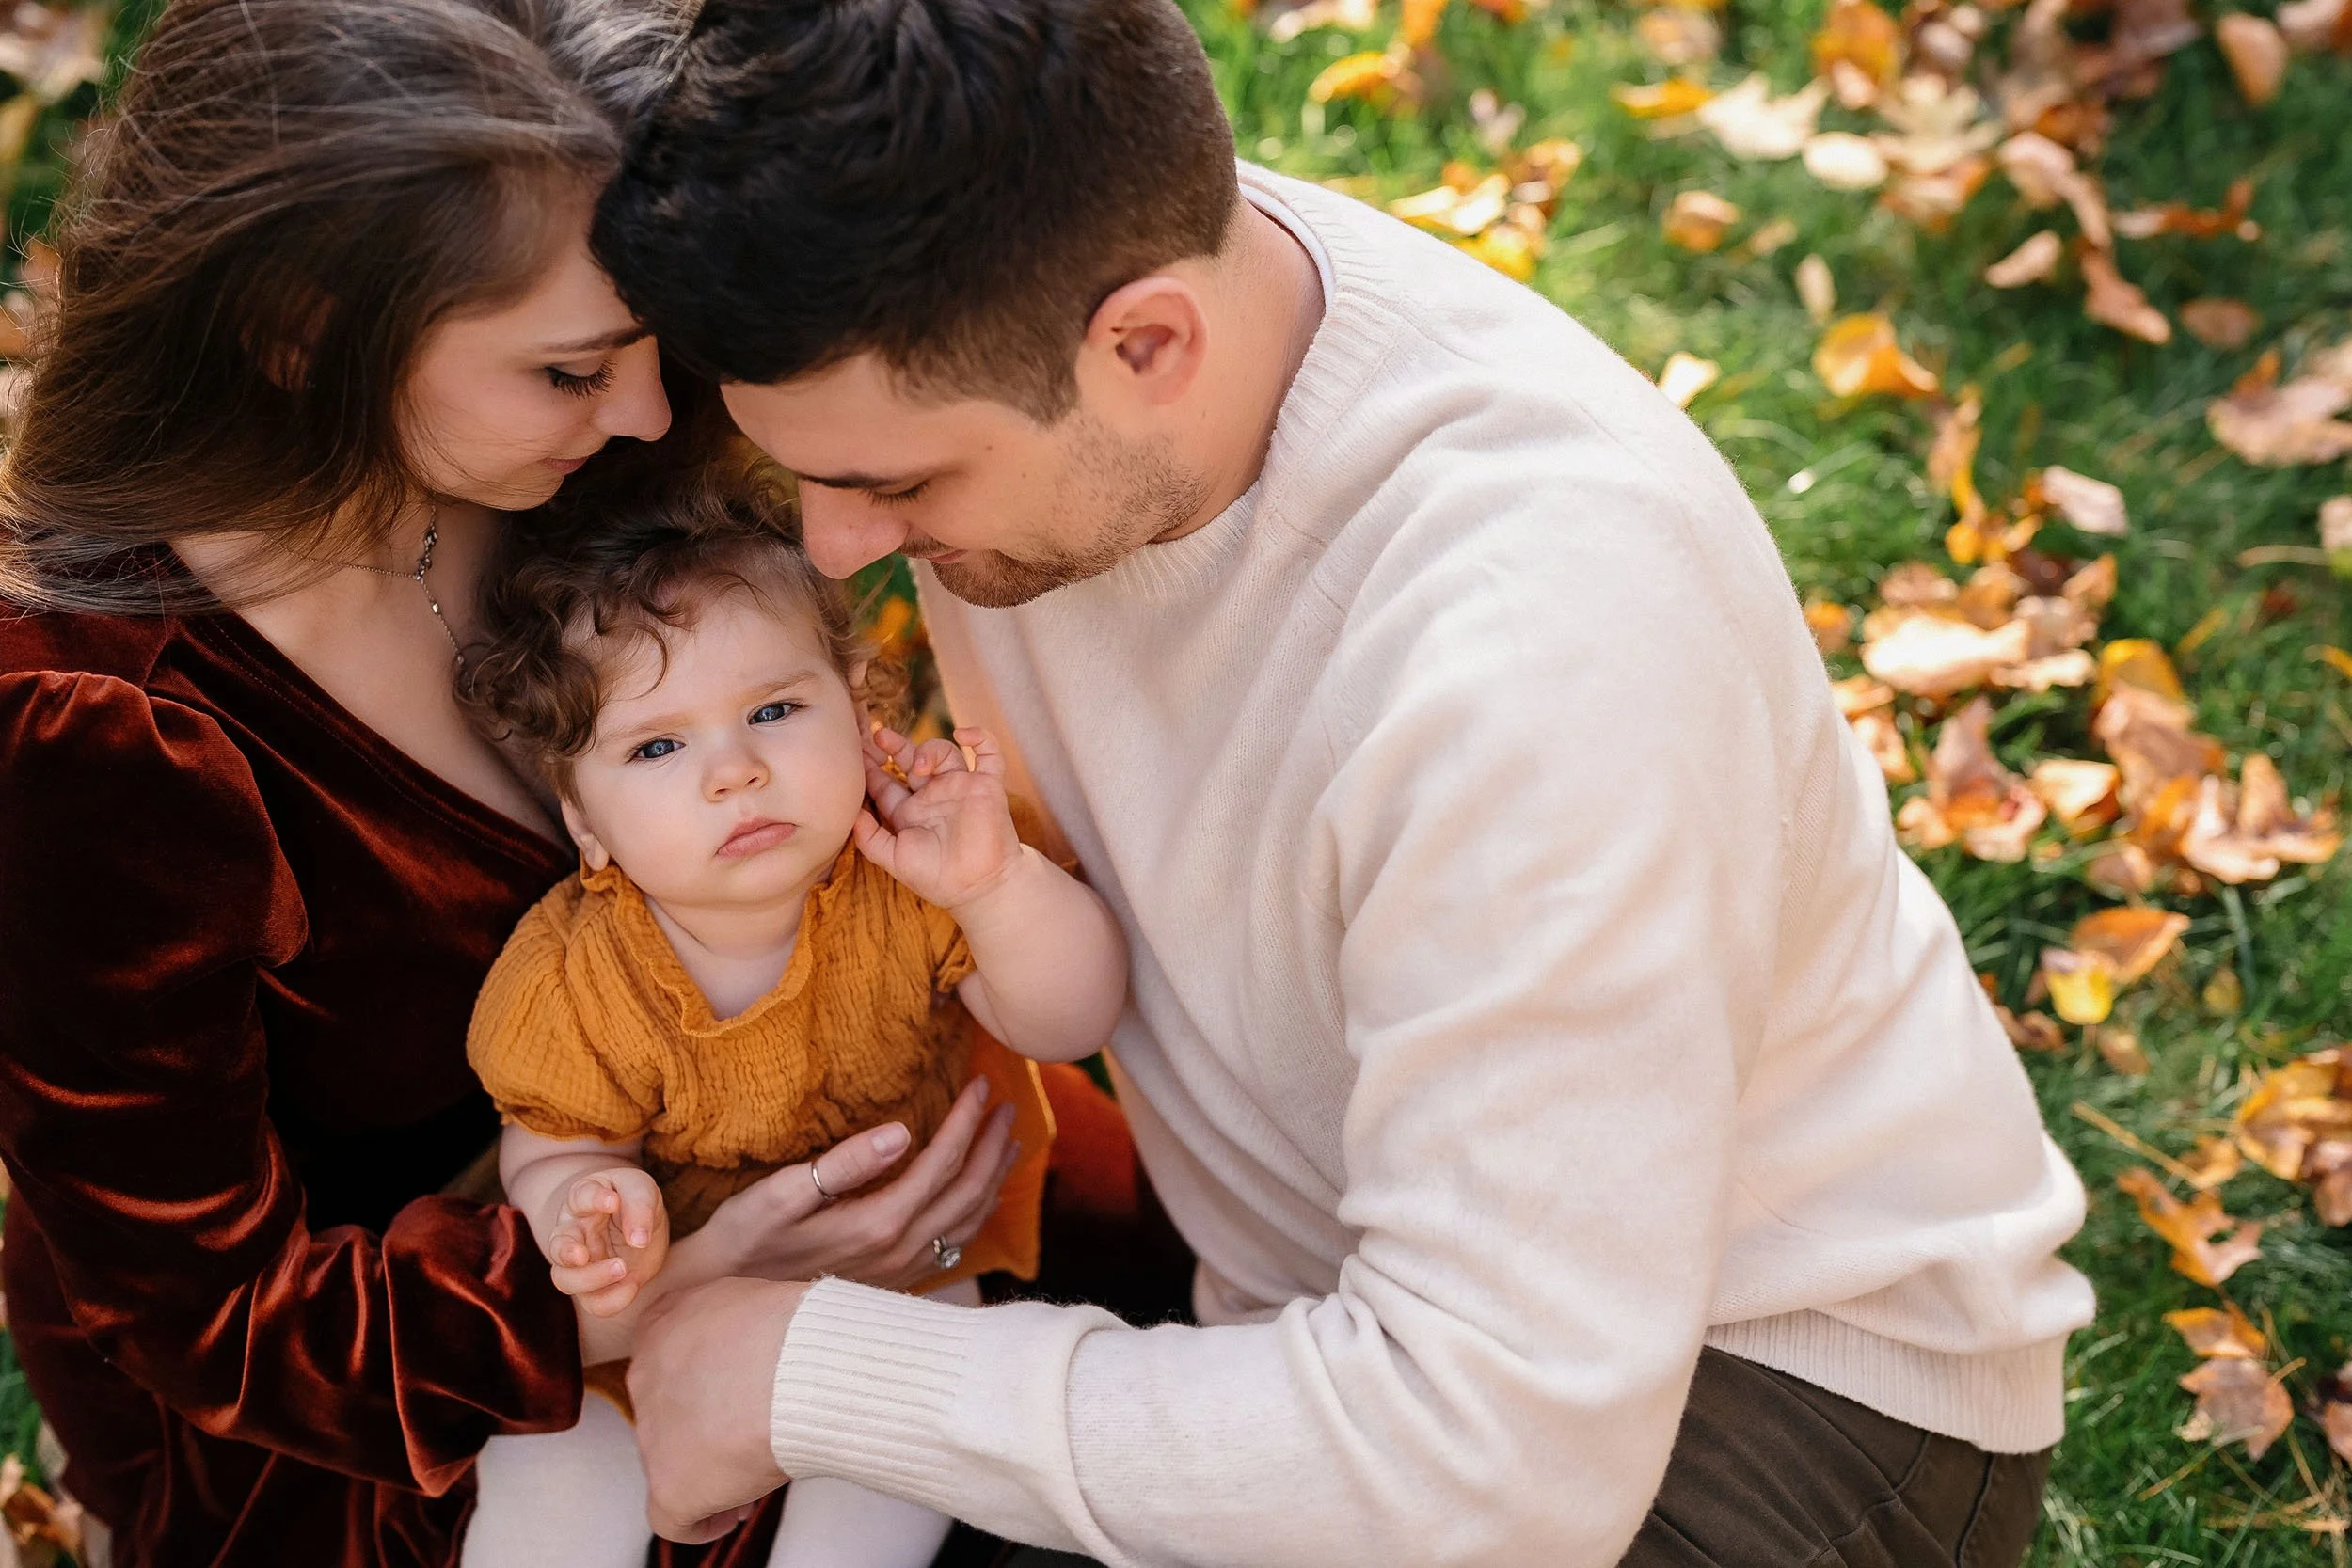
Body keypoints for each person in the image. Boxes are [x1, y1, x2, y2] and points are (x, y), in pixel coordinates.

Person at [591, 1, 2100, 1564]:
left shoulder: (1533, 656)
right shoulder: (1047, 311)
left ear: (1148, 344)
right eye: (809, 476)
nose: (837, 550)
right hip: (1323, 1307)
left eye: (896, 483)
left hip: (1755, 1380)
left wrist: (803, 1371)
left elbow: (1493, 1465)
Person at [0, 3, 1045, 1564]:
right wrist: (661, 1277)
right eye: (568, 368)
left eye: (646, 349)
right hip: (403, 1401)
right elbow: (209, 1320)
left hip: (804, 1130)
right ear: (302, 330)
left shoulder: (586, 481)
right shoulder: (94, 725)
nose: (640, 412)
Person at [453, 464, 1123, 1568]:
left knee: (881, 1494)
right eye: (658, 746)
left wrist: (996, 890)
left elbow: (1072, 1018)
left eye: (773, 709)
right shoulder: (579, 970)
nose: (736, 771)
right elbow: (552, 1140)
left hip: (900, 1255)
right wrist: (585, 1192)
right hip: (664, 1291)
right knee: (550, 1482)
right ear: (586, 820)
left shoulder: (913, 876)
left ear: (859, 714)